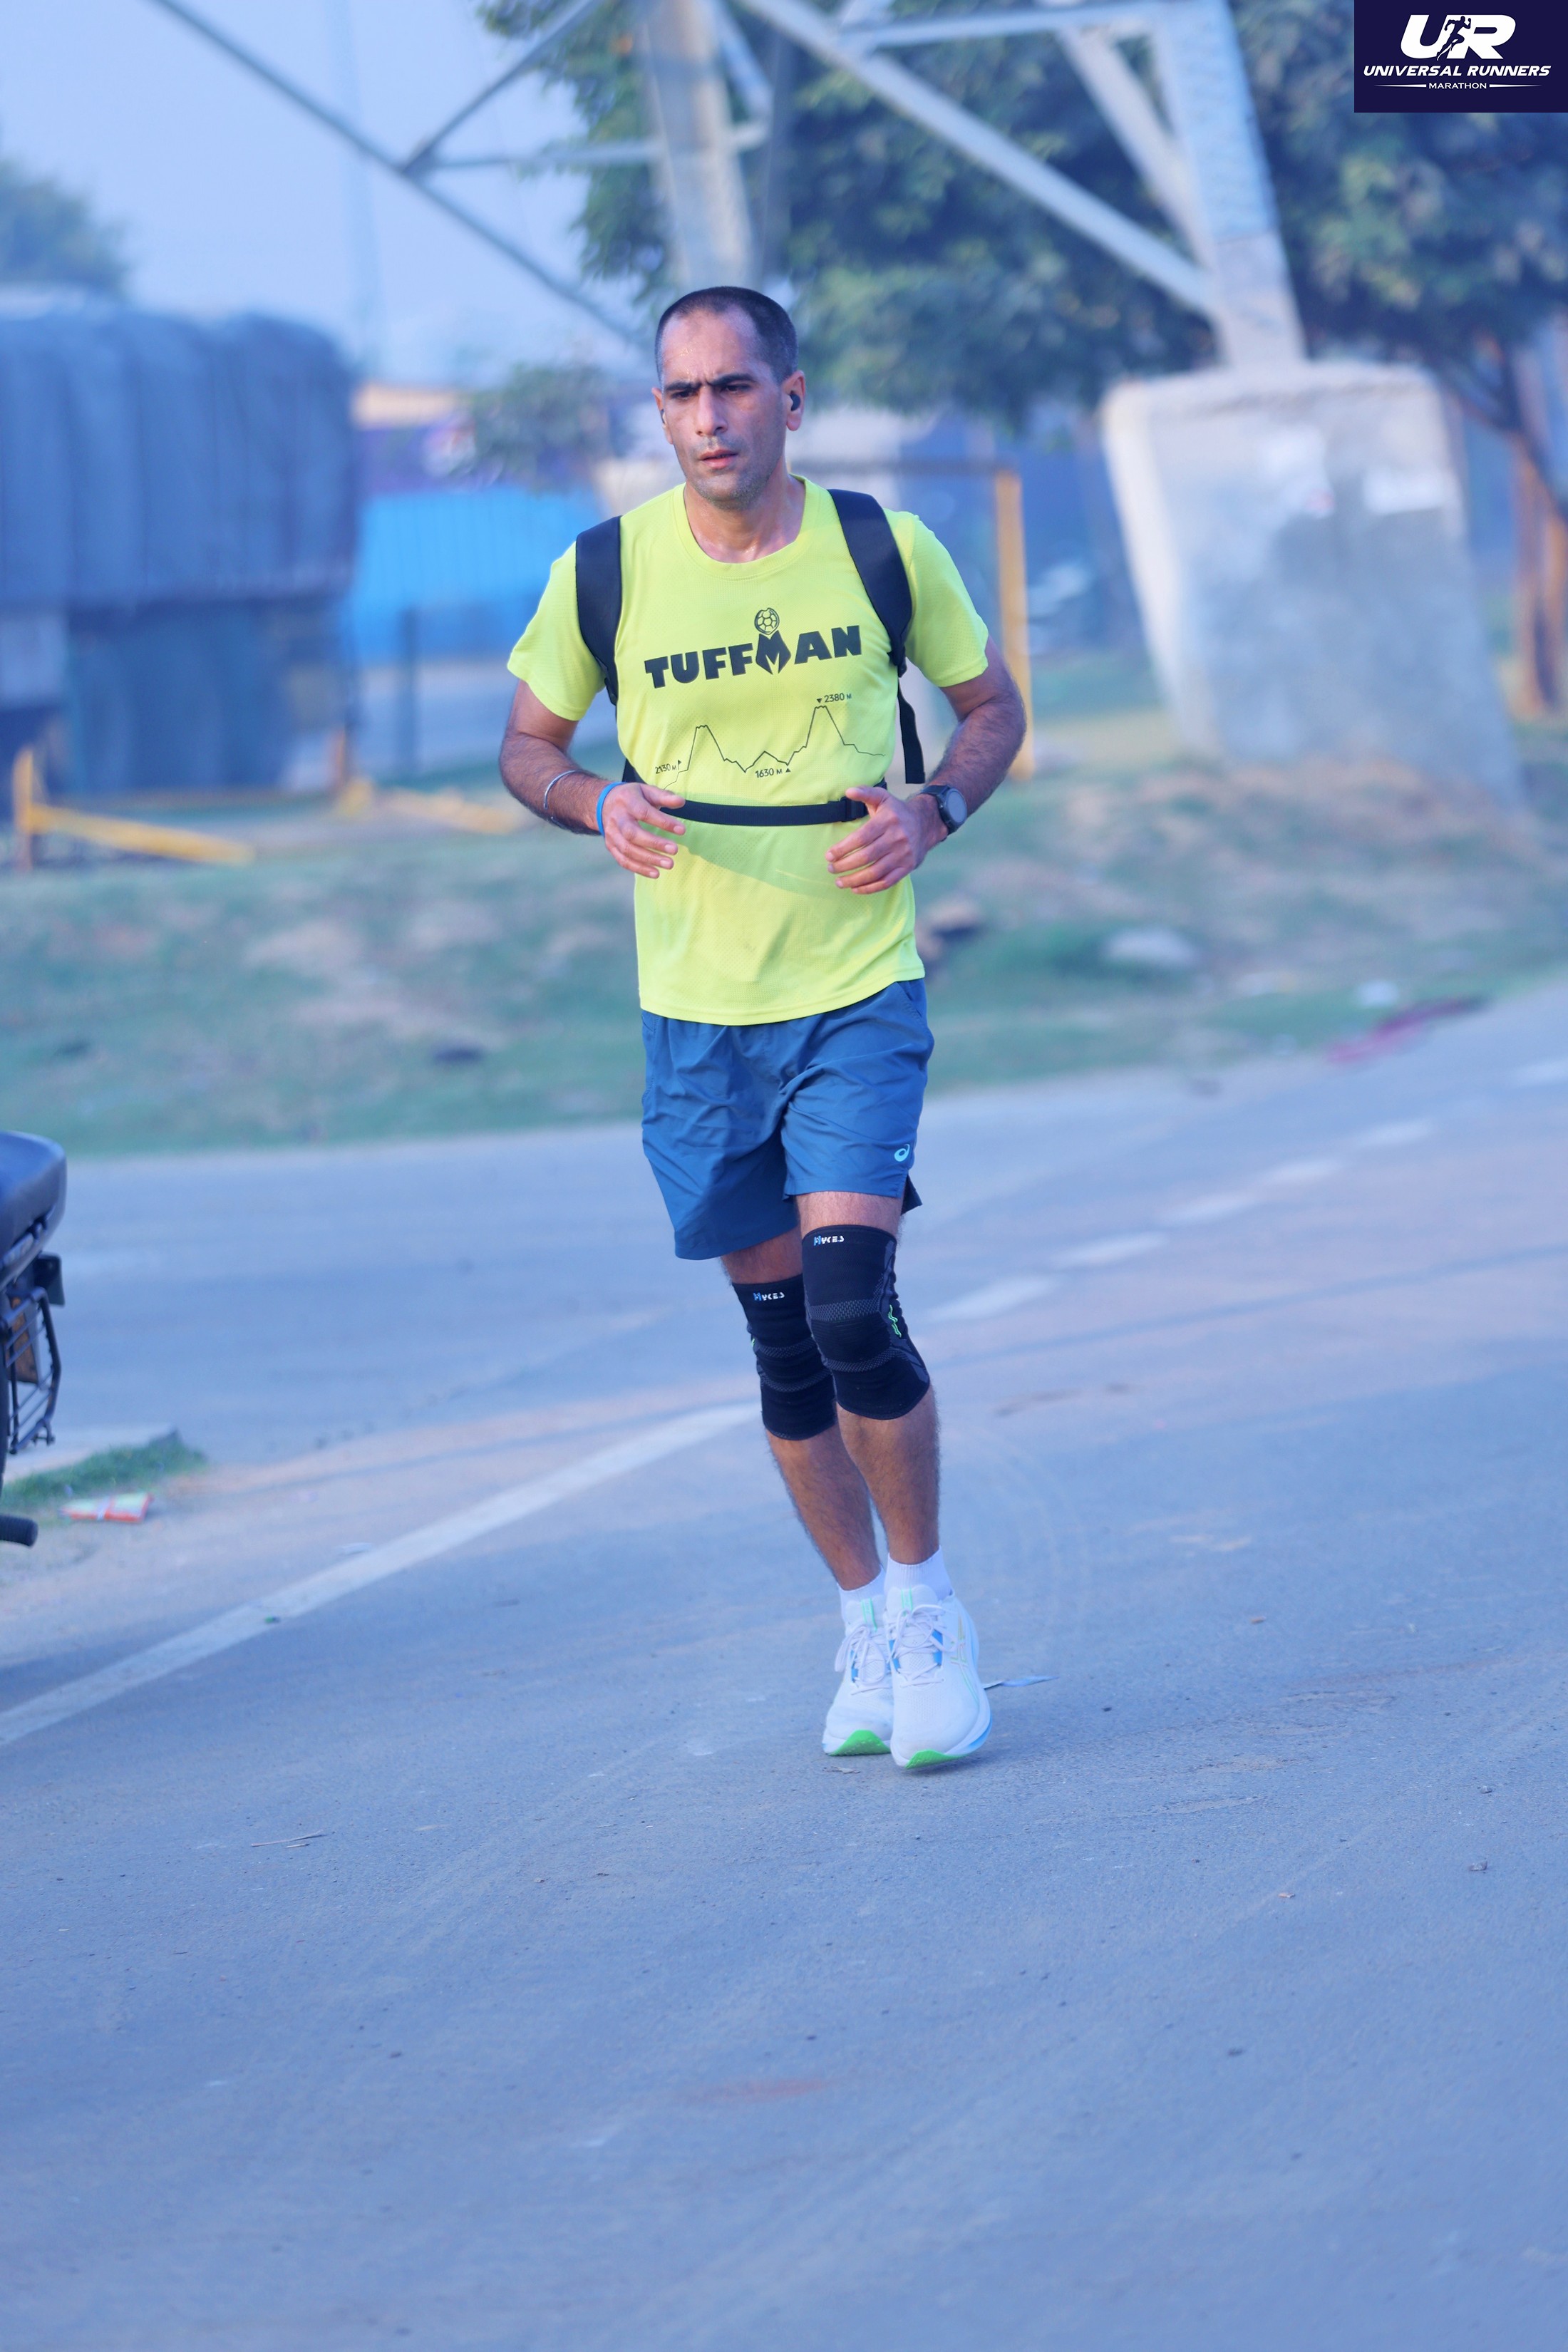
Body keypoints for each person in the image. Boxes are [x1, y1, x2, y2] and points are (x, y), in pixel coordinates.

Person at [499, 286, 1026, 1768]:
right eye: (681, 394)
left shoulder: (881, 546)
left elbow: (990, 706)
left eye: (733, 387)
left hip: (855, 989)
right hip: (696, 1019)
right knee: (786, 1348)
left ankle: (927, 1611)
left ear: (789, 399)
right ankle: (861, 1622)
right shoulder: (605, 571)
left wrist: (936, 807)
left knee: (853, 1305)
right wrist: (592, 801)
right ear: (659, 412)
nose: (708, 417)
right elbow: (527, 747)